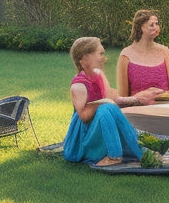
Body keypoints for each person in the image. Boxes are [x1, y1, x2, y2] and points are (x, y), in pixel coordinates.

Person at [63, 37, 159, 166]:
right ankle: (114, 156)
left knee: (108, 107)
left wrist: (139, 99)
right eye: (100, 54)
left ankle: (140, 151)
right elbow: (84, 117)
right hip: (83, 137)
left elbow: (113, 100)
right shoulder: (78, 86)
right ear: (85, 59)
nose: (105, 58)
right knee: (105, 108)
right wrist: (102, 102)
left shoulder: (98, 74)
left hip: (102, 123)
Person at [116, 10, 169, 98]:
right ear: (141, 27)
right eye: (152, 25)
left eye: (157, 24)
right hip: (137, 109)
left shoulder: (164, 51)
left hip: (164, 107)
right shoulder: (125, 56)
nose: (156, 28)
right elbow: (123, 97)